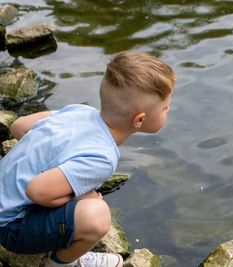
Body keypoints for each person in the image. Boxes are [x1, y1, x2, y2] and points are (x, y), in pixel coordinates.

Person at [0, 50, 176, 267]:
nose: (169, 110)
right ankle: (64, 263)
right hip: (10, 227)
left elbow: (19, 126)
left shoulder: (80, 111)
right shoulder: (102, 157)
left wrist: (38, 155)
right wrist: (79, 200)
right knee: (97, 216)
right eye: (165, 108)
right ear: (139, 120)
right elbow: (36, 191)